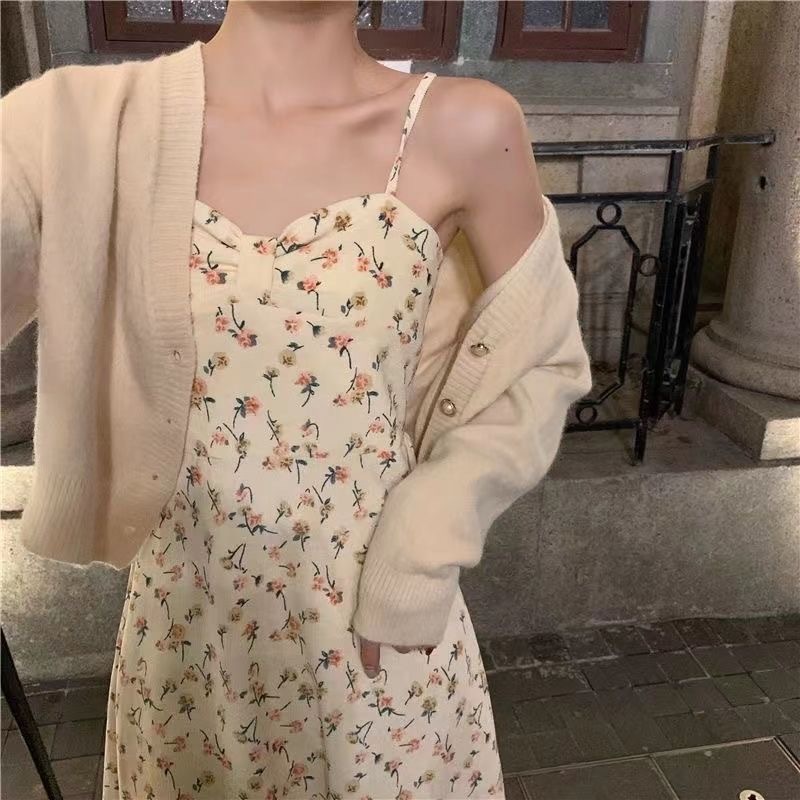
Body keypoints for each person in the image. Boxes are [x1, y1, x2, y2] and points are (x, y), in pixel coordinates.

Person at [1, 1, 593, 797]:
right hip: (184, 638)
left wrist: (426, 539)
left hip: (374, 629)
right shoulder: (84, 128)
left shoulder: (468, 127)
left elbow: (538, 360)